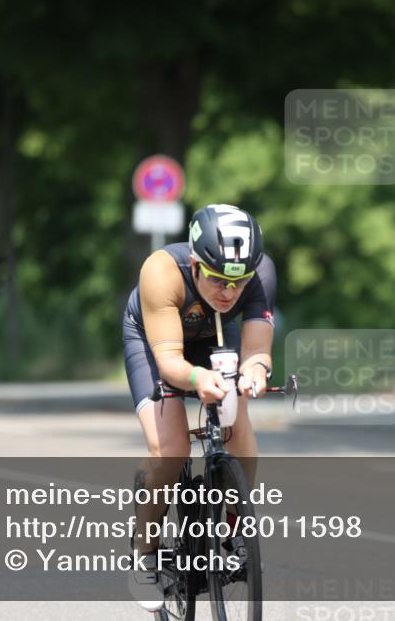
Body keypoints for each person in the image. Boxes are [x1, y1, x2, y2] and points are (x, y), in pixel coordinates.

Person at [122, 203, 275, 610]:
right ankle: (146, 555)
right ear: (194, 263)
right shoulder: (160, 272)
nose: (230, 292)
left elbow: (258, 349)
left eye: (239, 282)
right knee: (171, 449)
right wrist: (195, 379)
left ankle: (235, 530)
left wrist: (254, 372)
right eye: (219, 280)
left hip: (215, 341)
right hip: (158, 344)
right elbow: (171, 363)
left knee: (239, 428)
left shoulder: (260, 273)